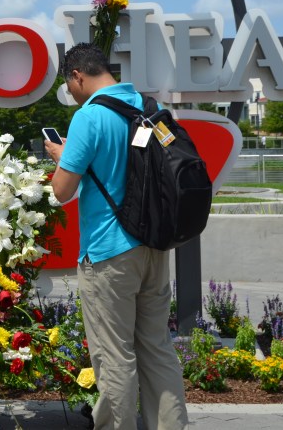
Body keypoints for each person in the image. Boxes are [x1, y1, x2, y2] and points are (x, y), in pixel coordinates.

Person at [44, 43, 188, 430]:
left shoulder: (89, 117)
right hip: (155, 247)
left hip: (109, 252)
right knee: (158, 350)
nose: (71, 94)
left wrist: (61, 156)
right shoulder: (147, 106)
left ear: (77, 75)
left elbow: (61, 191)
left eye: (68, 85)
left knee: (115, 356)